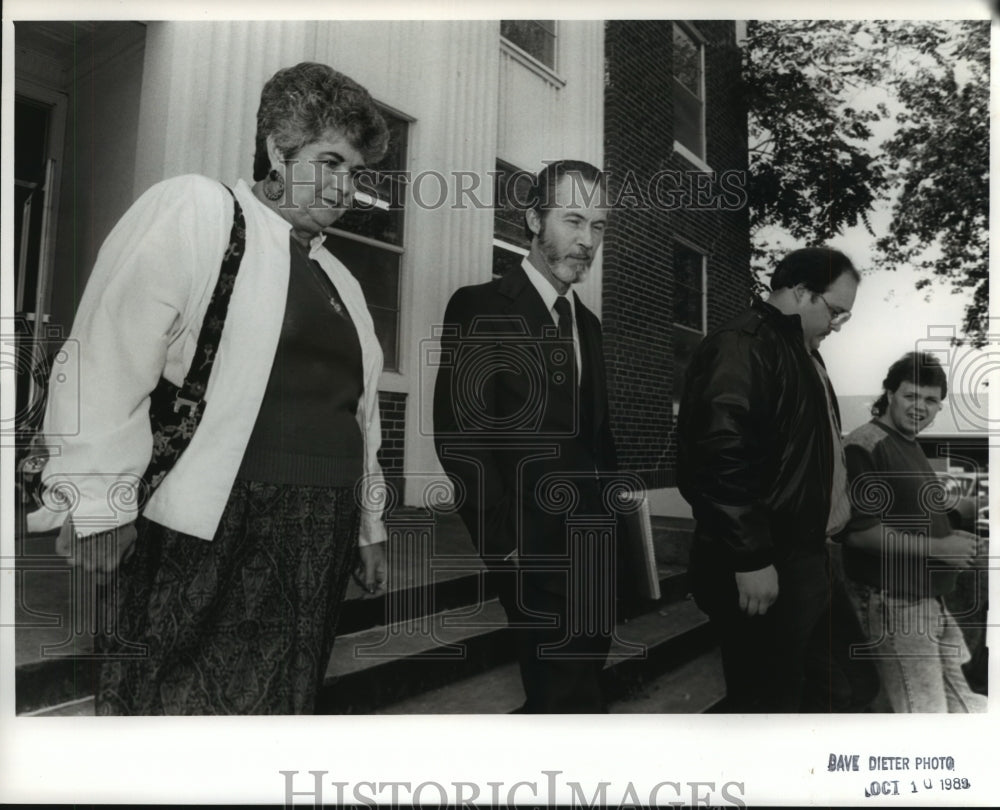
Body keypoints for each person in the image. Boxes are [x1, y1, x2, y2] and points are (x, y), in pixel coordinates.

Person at [27, 62, 390, 714]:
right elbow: (108, 351)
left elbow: (362, 418)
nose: (345, 188)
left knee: (281, 709)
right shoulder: (203, 211)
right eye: (330, 162)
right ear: (278, 150)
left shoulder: (345, 281)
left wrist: (369, 525)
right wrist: (99, 501)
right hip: (214, 529)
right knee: (178, 710)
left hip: (318, 536)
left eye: (356, 173)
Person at [433, 160, 620, 712]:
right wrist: (504, 542)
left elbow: (596, 437)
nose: (587, 241)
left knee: (581, 693)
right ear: (534, 219)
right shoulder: (481, 307)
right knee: (563, 700)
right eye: (572, 220)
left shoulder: (588, 325)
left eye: (599, 226)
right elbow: (460, 437)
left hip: (595, 554)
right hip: (529, 550)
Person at [677, 246, 879, 712]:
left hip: (809, 557)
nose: (837, 325)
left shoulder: (802, 352)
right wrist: (750, 559)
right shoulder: (743, 344)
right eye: (835, 312)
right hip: (770, 562)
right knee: (769, 704)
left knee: (851, 684)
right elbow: (718, 456)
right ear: (801, 292)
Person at [842, 352, 986, 712]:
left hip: (928, 601)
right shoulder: (864, 444)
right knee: (926, 717)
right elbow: (858, 534)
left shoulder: (907, 442)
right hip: (895, 604)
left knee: (965, 709)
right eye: (911, 395)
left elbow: (913, 515)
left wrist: (961, 541)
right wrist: (940, 548)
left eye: (931, 399)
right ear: (890, 393)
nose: (920, 407)